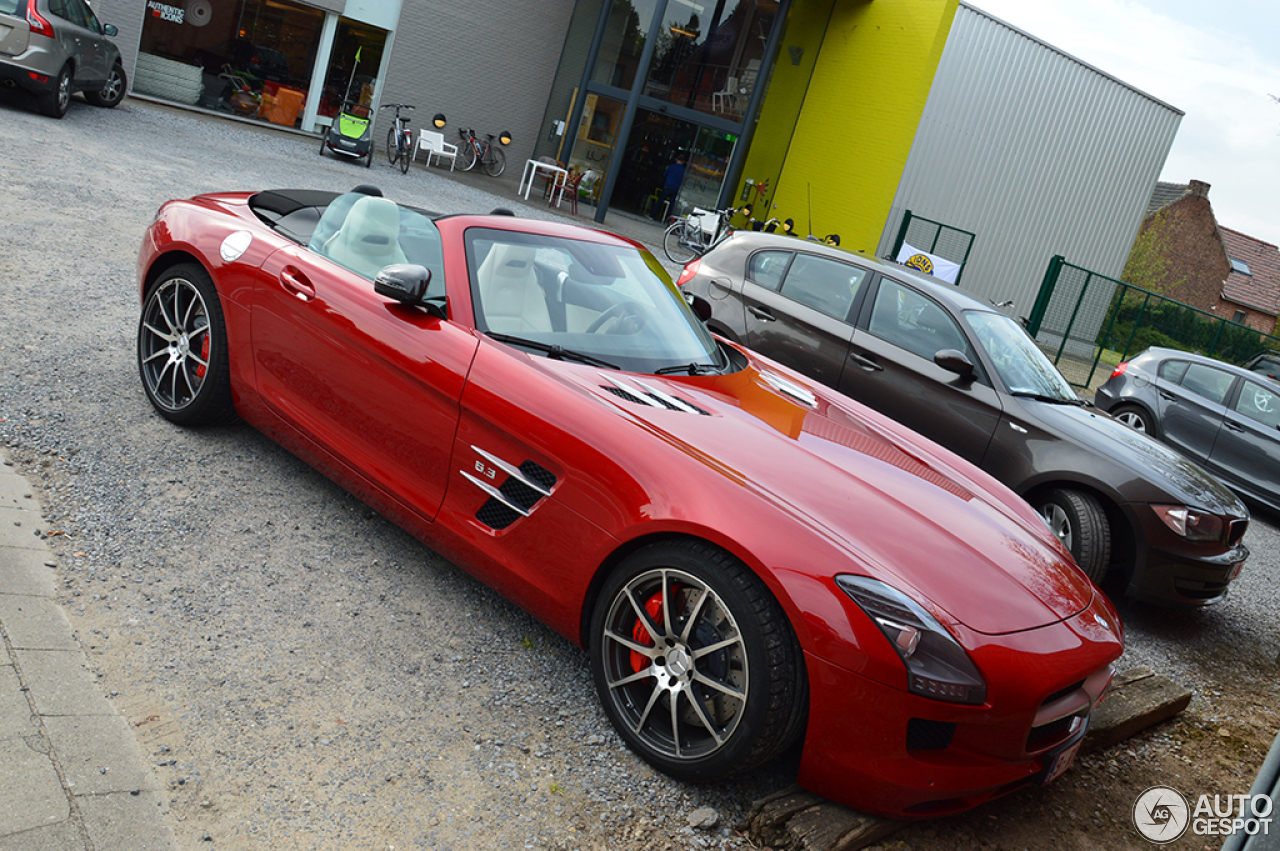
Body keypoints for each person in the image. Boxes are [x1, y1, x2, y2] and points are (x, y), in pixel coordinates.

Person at [653, 153, 686, 221]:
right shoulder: (683, 169)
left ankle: (653, 215)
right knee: (671, 204)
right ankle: (669, 219)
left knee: (660, 201)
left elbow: (665, 174)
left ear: (676, 159)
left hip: (668, 186)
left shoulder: (671, 166)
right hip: (676, 188)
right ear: (683, 162)